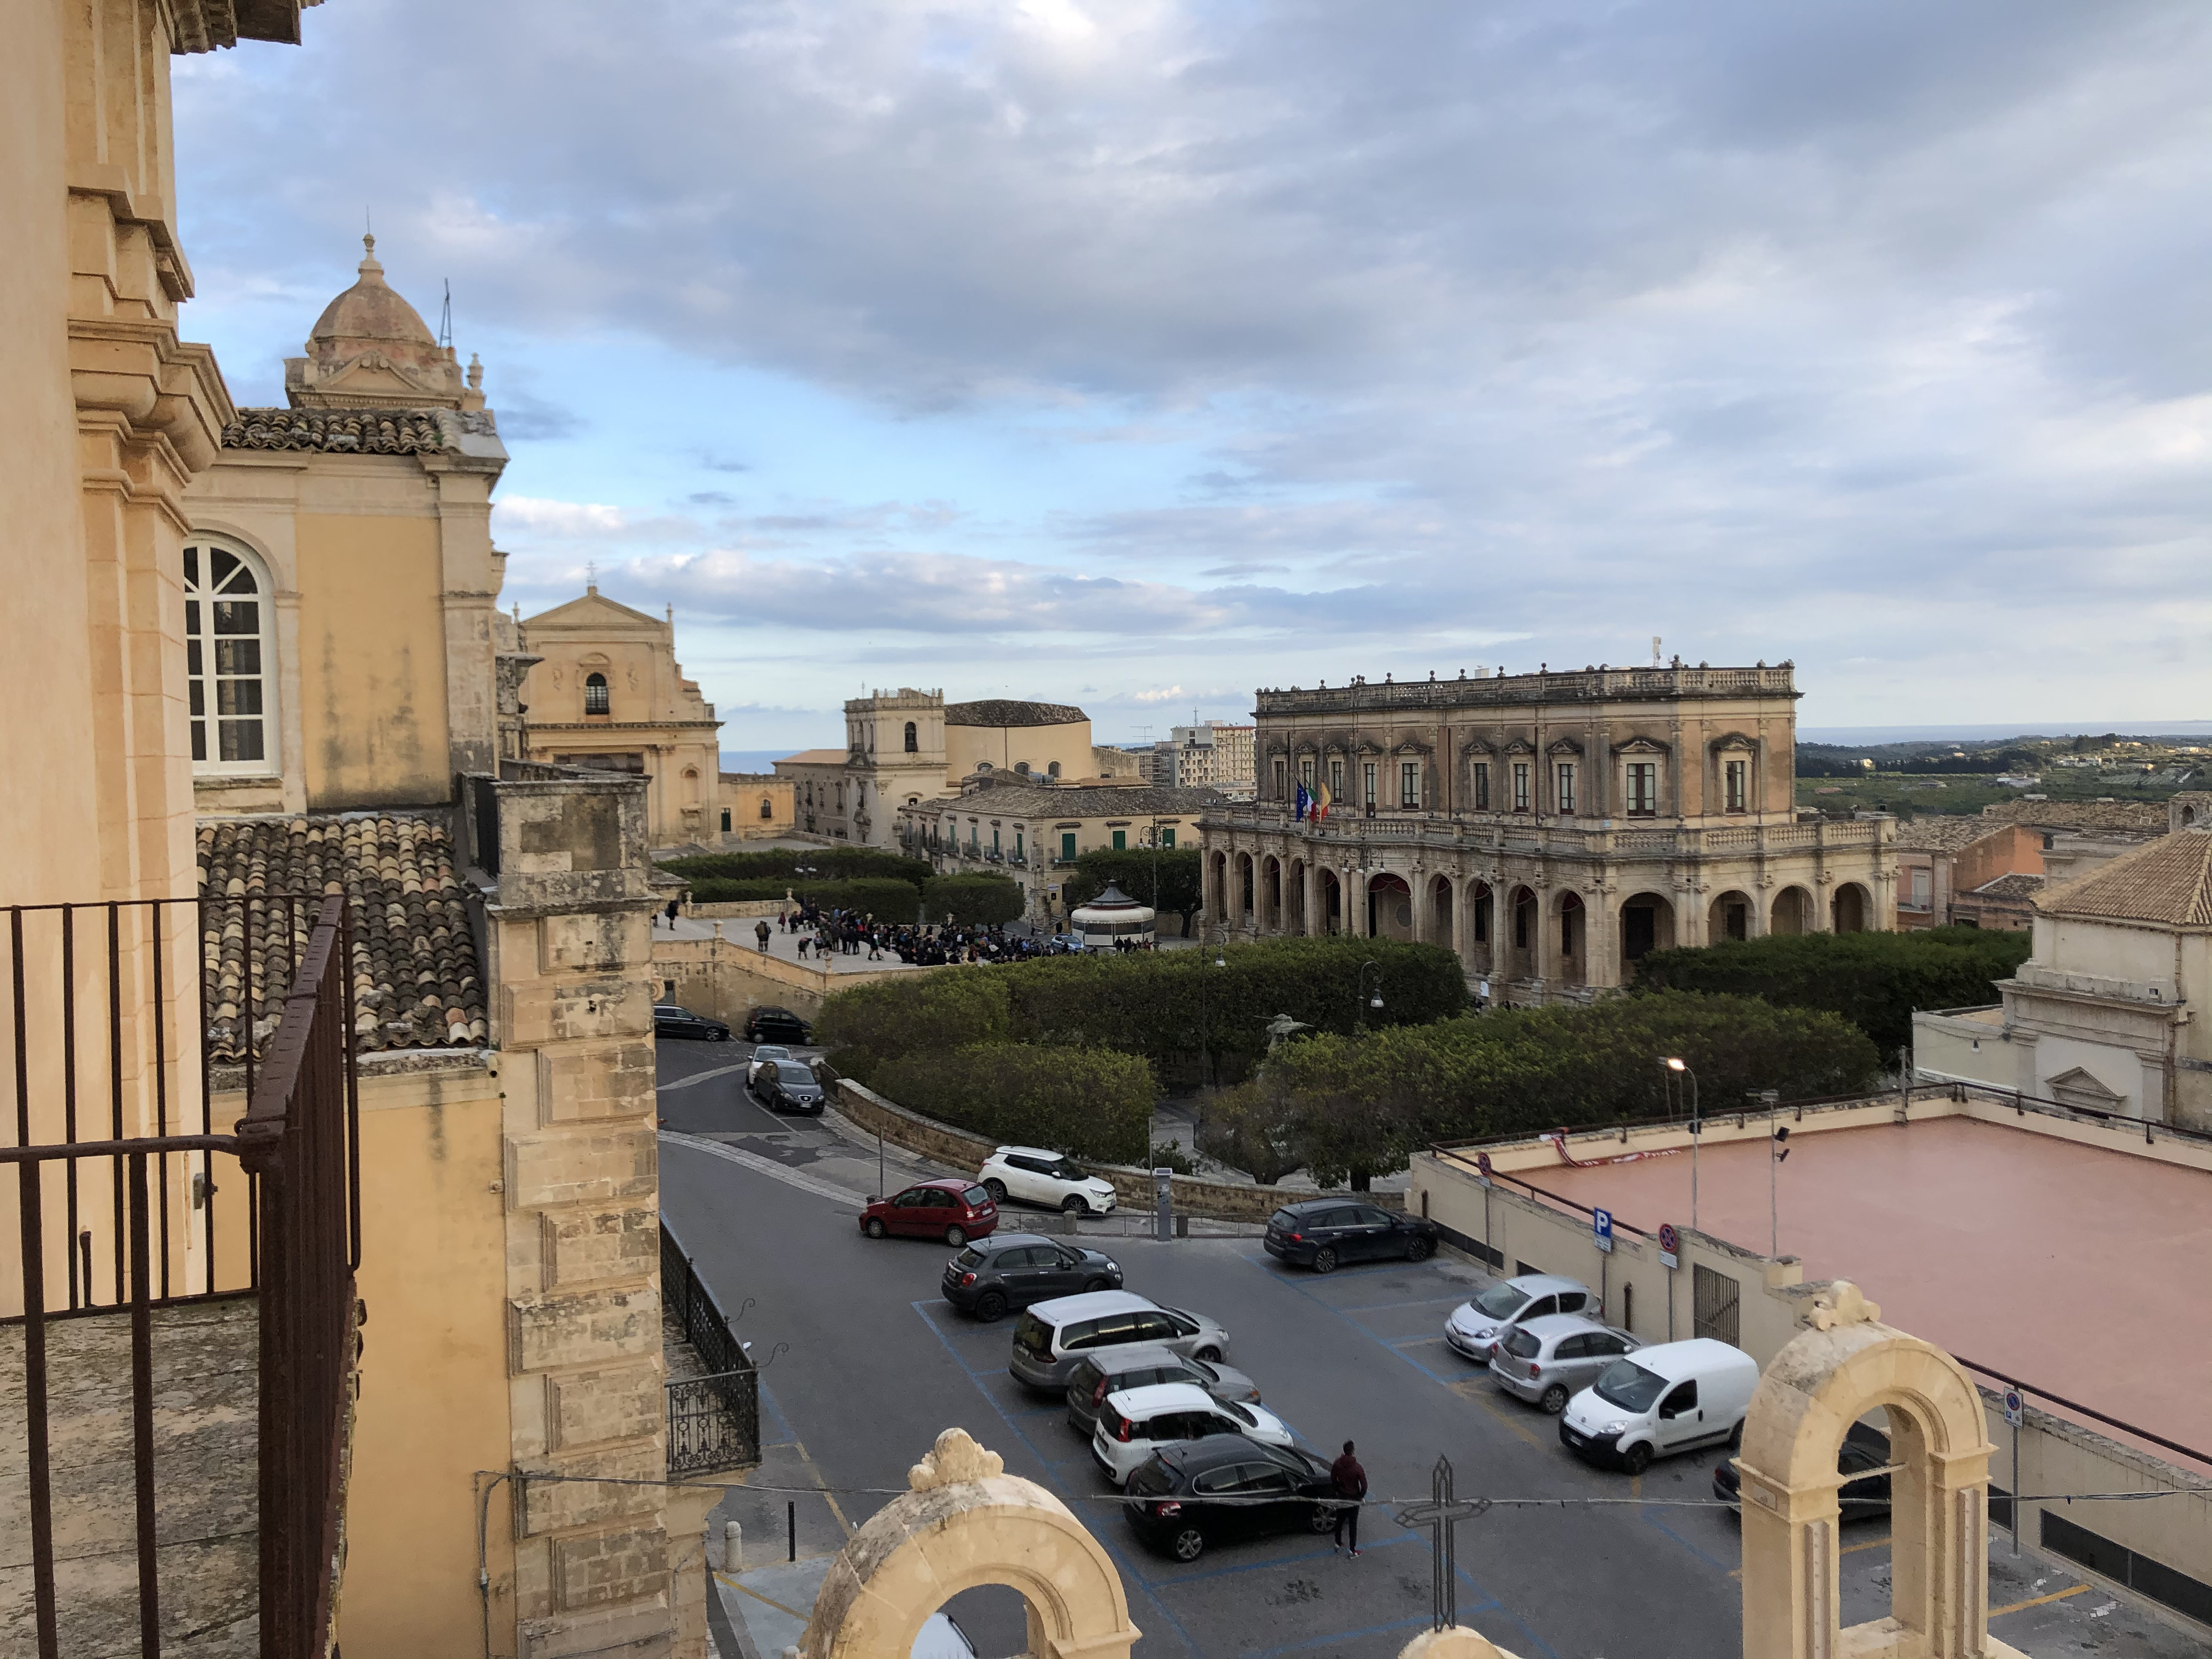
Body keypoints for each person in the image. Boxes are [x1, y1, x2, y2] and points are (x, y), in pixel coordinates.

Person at [1330, 1441, 1366, 1557]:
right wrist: (1360, 1496)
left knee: (1339, 1520)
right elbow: (1364, 1485)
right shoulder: (1357, 1468)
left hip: (1341, 1496)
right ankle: (1352, 1550)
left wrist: (1337, 1489)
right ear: (1352, 1451)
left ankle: (1338, 1542)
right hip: (1353, 1498)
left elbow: (1333, 1478)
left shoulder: (1337, 1464)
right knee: (1352, 1524)